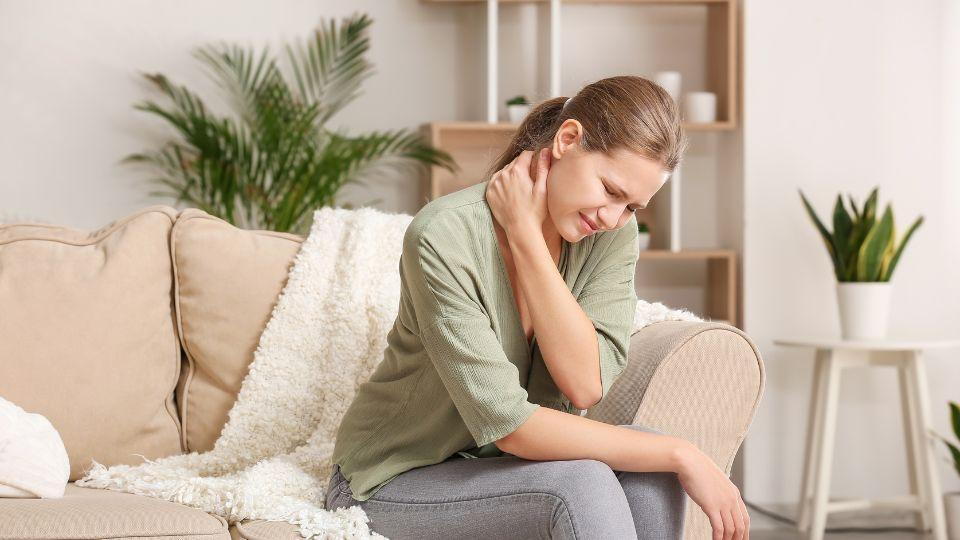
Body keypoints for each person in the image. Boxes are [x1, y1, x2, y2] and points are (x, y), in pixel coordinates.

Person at [326, 75, 749, 540]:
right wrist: (683, 452)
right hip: (393, 480)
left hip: (508, 472)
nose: (612, 217)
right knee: (589, 480)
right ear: (568, 139)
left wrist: (527, 239)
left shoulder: (610, 234)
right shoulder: (443, 236)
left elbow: (584, 385)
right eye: (609, 189)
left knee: (650, 463)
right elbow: (510, 426)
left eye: (632, 206)